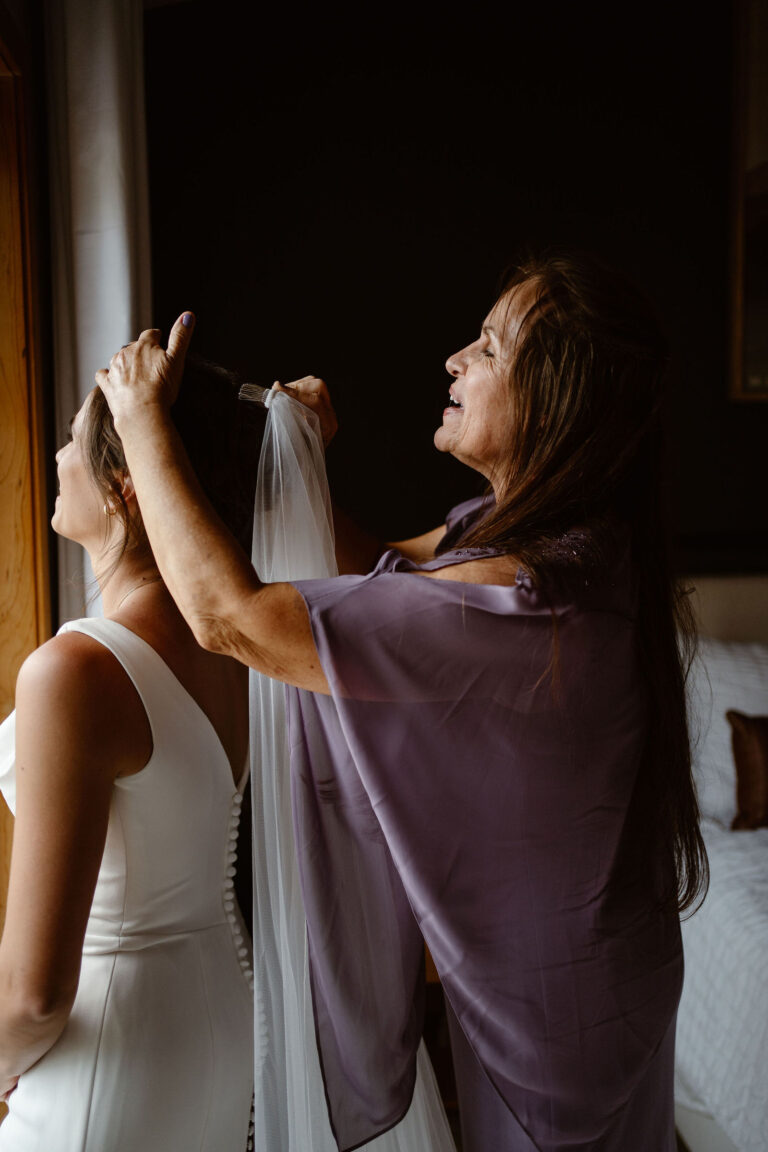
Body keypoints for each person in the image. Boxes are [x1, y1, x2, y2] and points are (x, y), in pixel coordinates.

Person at [97, 253, 708, 1152]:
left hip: (560, 1016)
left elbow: (234, 621)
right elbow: (380, 568)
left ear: (554, 400)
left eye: (490, 349)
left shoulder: (521, 599)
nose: (455, 358)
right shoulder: (543, 537)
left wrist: (141, 421)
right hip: (597, 969)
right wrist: (308, 463)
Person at [0, 358, 260, 1151]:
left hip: (105, 1054)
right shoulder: (238, 650)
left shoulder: (73, 672)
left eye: (76, 441)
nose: (56, 458)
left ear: (126, 488)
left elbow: (35, 994)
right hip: (220, 1035)